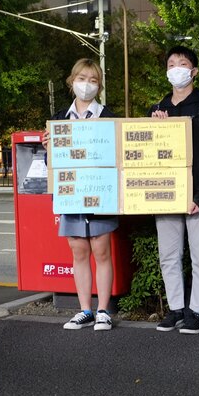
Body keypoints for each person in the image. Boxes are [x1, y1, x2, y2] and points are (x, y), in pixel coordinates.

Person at [149, 46, 199, 335]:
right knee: (168, 255)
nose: (176, 68)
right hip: (165, 195)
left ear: (194, 71)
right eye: (171, 63)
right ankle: (177, 308)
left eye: (182, 63)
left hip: (198, 197)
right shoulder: (156, 111)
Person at [43, 58, 118, 331]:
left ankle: (103, 311)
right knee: (78, 250)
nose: (86, 85)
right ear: (71, 81)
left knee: (101, 250)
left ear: (98, 86)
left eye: (93, 80)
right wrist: (49, 147)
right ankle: (85, 309)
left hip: (100, 194)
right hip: (71, 194)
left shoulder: (108, 117)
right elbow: (51, 164)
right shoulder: (59, 119)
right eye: (82, 78)